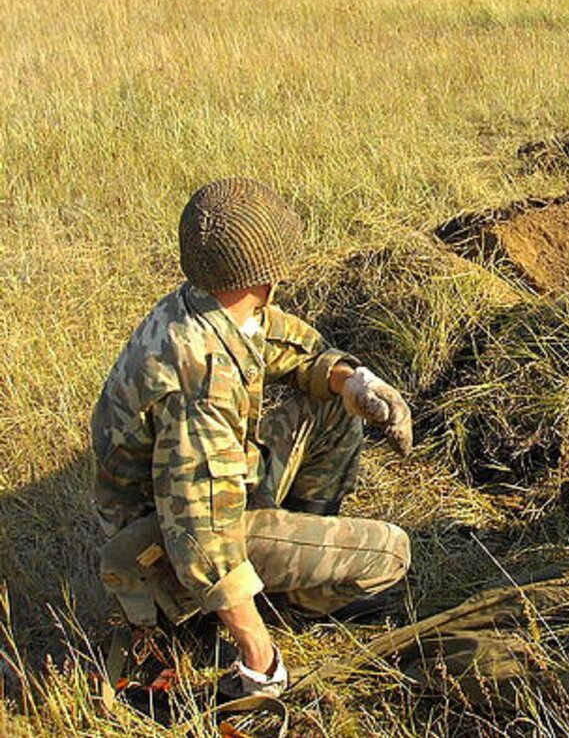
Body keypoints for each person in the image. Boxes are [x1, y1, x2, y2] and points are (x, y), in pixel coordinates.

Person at [93, 177, 414, 698]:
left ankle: (291, 552)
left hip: (203, 501)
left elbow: (287, 344)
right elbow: (199, 539)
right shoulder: (201, 380)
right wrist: (261, 661)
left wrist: (353, 380)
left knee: (333, 411)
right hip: (160, 555)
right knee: (391, 556)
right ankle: (274, 604)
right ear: (265, 276)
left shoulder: (204, 304)